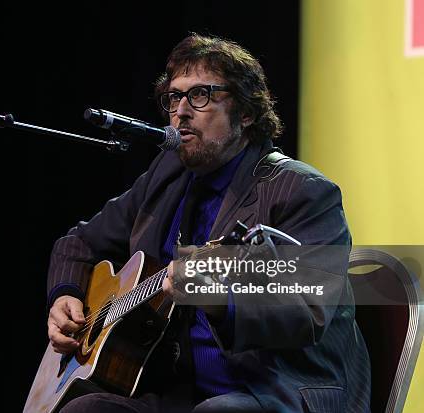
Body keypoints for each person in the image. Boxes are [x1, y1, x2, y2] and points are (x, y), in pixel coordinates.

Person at [45, 33, 371, 413]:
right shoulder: (167, 175)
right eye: (174, 97)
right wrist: (64, 294)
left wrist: (220, 300)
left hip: (275, 391)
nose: (181, 110)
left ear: (246, 113)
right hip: (179, 391)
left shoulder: (303, 191)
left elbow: (305, 312)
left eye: (200, 95)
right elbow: (78, 244)